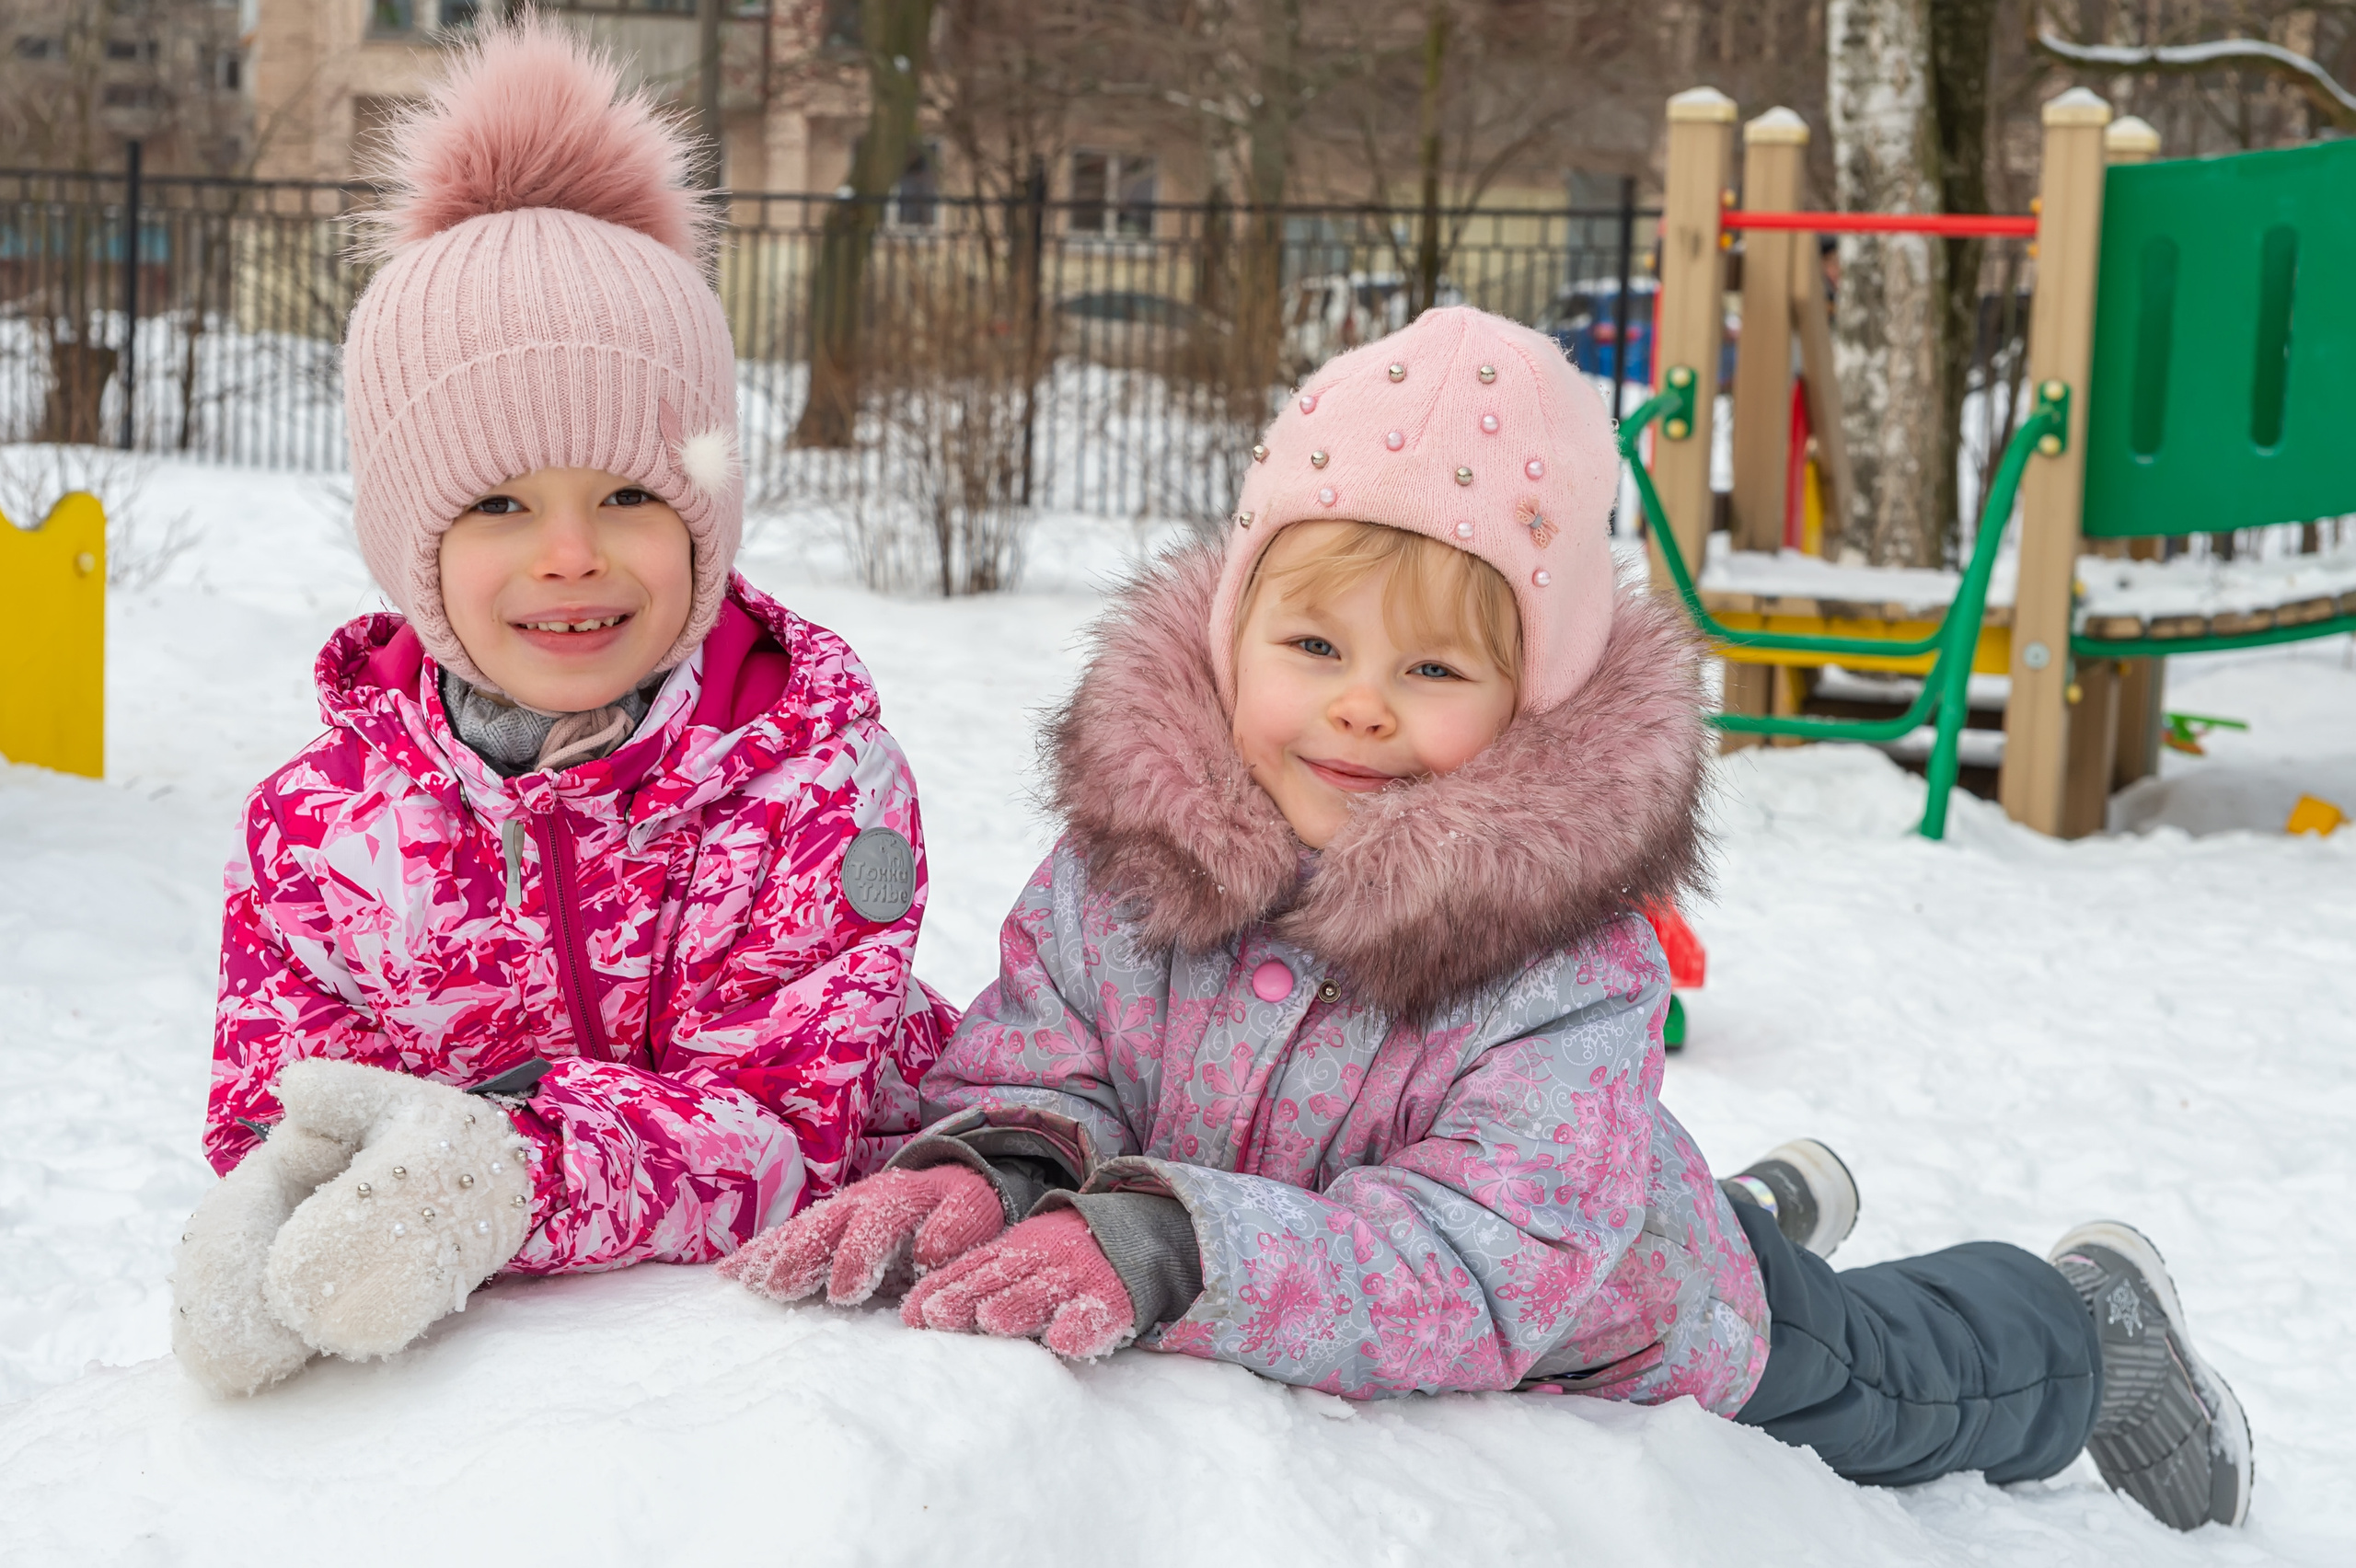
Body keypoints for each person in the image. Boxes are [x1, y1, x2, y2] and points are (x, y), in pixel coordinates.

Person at [726, 306, 2251, 1532]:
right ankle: (1750, 1193)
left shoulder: (1559, 959)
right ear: (1229, 632)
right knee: (1616, 1172)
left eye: (1437, 674)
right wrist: (999, 1162)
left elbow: (1485, 1258)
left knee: (1897, 1380)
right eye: (1313, 640)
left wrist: (1173, 1251)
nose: (1361, 705)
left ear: (1534, 705)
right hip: (1561, 1186)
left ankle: (2080, 1323)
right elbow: (1041, 1058)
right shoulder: (1125, 864)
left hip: (1621, 1301)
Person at [169, 20, 955, 1398]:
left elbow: (790, 1132)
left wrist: (506, 1178)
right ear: (409, 541)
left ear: (707, 515)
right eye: (500, 505)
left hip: (775, 1380)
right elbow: (282, 1099)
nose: (572, 555)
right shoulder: (320, 835)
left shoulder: (809, 791)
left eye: (632, 496)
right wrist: (282, 1195)